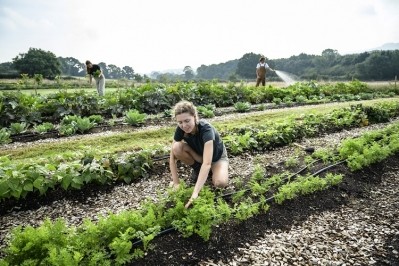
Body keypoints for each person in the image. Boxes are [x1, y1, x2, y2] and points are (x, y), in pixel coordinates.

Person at [169, 100, 229, 208]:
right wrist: (176, 183)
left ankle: (211, 172)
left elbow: (207, 163)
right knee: (176, 147)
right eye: (180, 122)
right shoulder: (180, 130)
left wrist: (195, 193)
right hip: (200, 156)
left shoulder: (206, 129)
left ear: (195, 117)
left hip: (216, 158)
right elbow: (172, 158)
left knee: (220, 183)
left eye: (187, 121)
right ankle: (198, 171)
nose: (184, 125)